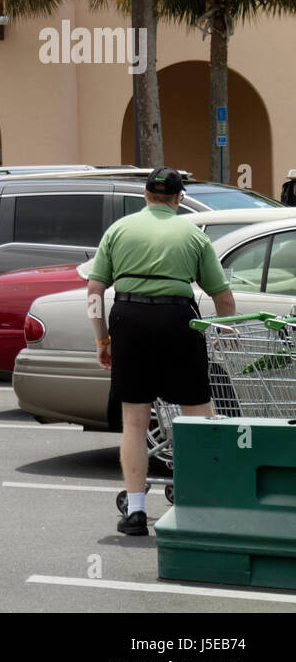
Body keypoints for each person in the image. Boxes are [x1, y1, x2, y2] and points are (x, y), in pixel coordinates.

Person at [86, 168, 235, 536]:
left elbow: (93, 291)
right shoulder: (191, 234)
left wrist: (102, 339)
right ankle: (200, 498)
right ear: (179, 198)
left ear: (145, 194)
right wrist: (220, 329)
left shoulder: (118, 231)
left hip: (129, 319)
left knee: (135, 421)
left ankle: (135, 511)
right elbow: (223, 296)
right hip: (177, 321)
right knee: (198, 414)